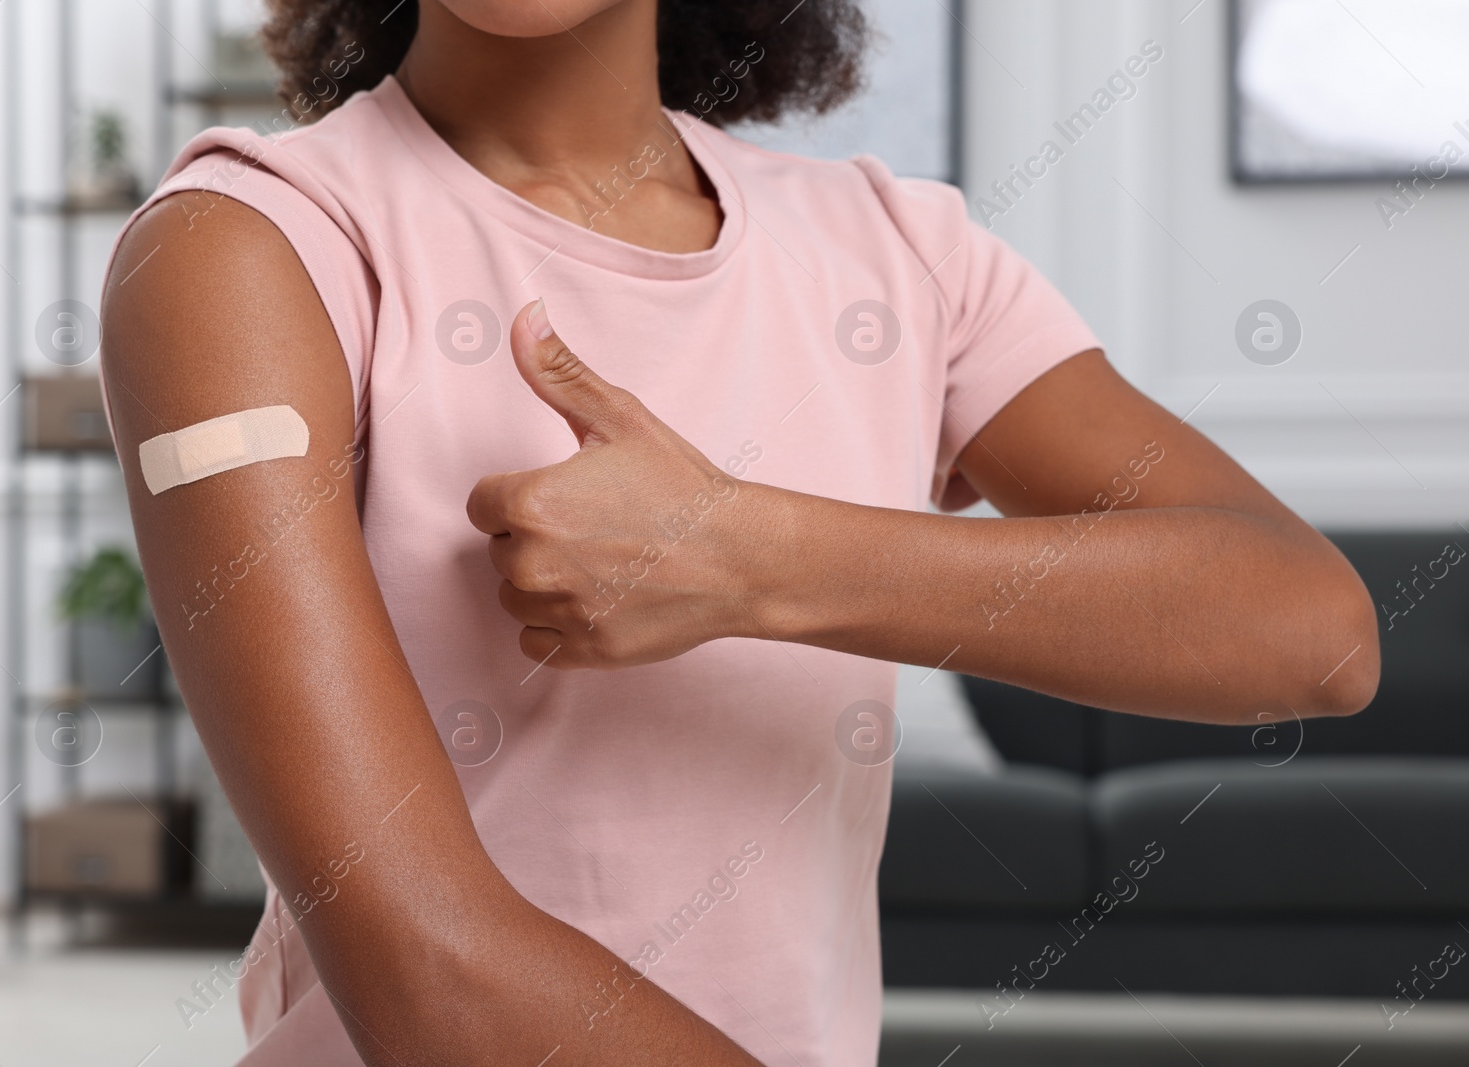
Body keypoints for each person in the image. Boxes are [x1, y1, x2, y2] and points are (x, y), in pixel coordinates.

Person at [99, 1, 1380, 1064]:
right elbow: (425, 964)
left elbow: (1310, 630)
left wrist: (751, 556)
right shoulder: (244, 248)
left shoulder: (896, 256)